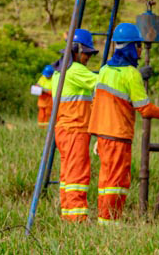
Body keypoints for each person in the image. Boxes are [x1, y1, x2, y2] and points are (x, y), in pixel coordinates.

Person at [88, 23, 159, 224]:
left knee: (105, 181)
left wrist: (97, 137)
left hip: (103, 135)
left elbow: (99, 101)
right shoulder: (131, 75)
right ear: (132, 47)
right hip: (118, 137)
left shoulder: (105, 69)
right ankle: (110, 224)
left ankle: (103, 221)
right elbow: (145, 109)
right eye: (139, 46)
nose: (141, 50)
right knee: (117, 183)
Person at [52, 29, 101, 221]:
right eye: (86, 53)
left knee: (67, 175)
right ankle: (77, 219)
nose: (88, 57)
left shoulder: (59, 71)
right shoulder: (75, 70)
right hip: (75, 129)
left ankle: (68, 214)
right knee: (77, 176)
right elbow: (105, 83)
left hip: (63, 130)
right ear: (76, 50)